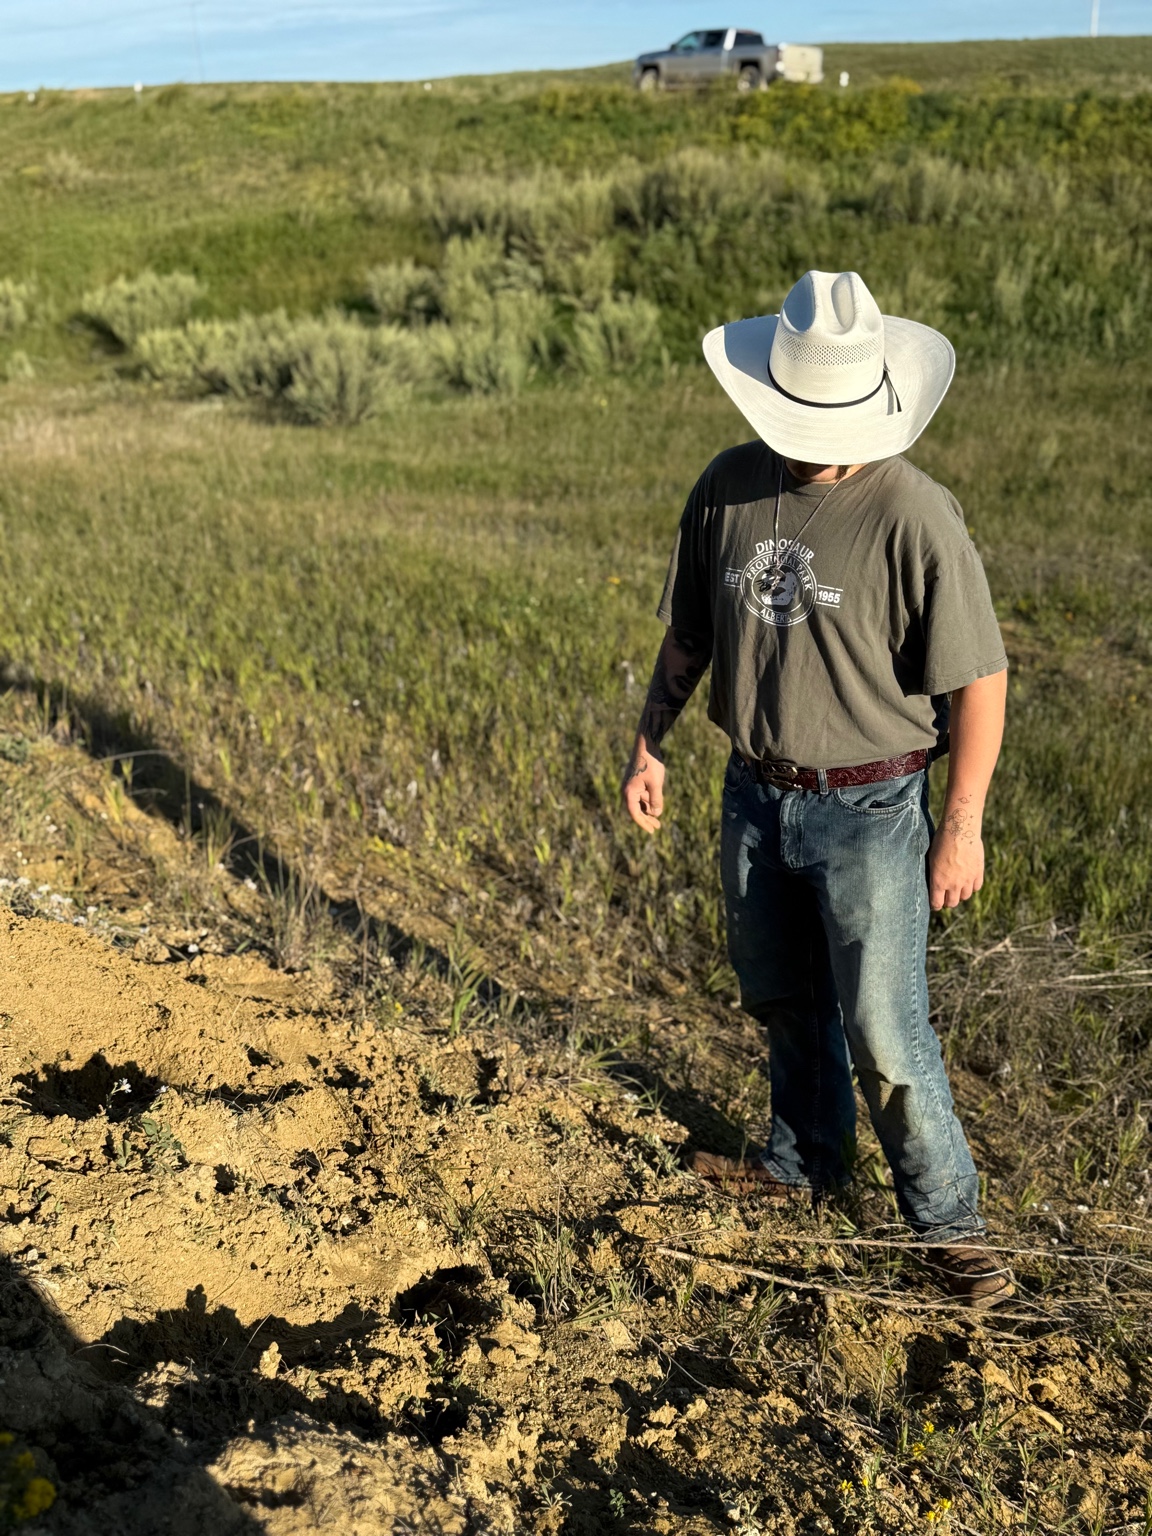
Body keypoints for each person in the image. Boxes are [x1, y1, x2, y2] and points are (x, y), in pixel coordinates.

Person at [622, 270, 1012, 1308]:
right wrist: (650, 739)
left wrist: (961, 827)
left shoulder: (916, 515)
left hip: (873, 809)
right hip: (754, 793)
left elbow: (979, 681)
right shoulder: (728, 487)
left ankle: (949, 1230)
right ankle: (802, 1168)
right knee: (783, 998)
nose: (811, 438)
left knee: (886, 1029)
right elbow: (692, 632)